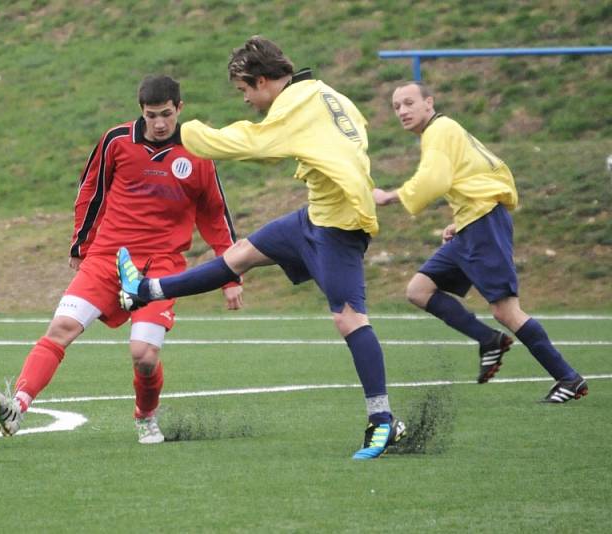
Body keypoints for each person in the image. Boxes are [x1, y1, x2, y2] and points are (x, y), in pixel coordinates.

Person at [117, 36, 406, 460]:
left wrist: (183, 131)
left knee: (349, 319)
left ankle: (383, 421)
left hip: (339, 225)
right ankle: (147, 290)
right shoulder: (325, 93)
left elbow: (252, 144)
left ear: (265, 81)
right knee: (240, 256)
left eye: (245, 90)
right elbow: (354, 137)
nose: (247, 100)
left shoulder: (293, 106)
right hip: (316, 215)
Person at [0, 75, 243, 444]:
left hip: (161, 267)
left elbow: (216, 216)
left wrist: (230, 275)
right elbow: (92, 191)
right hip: (107, 257)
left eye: (166, 114)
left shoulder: (198, 152)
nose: (160, 123)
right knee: (61, 328)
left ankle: (145, 417)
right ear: (141, 112)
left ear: (180, 109)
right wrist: (80, 244)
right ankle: (17, 407)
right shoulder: (116, 141)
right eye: (152, 115)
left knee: (144, 356)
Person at [373, 81, 587, 403]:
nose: (402, 111)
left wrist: (391, 196)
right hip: (473, 224)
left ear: (429, 103)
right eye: (396, 107)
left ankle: (568, 378)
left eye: (408, 103)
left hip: (483, 224)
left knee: (506, 311)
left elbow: (435, 179)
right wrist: (460, 219)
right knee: (419, 290)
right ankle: (489, 340)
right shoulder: (444, 131)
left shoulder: (439, 130)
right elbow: (483, 173)